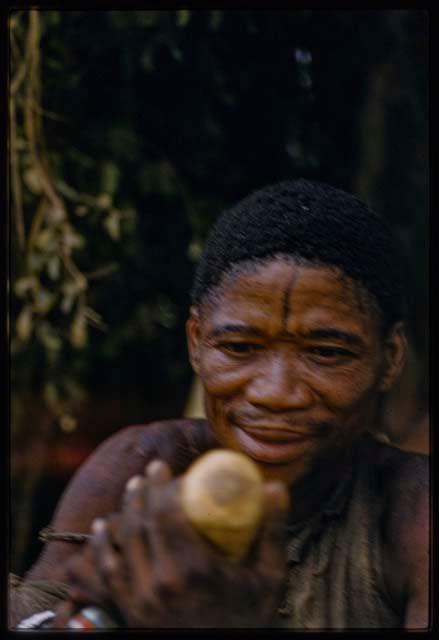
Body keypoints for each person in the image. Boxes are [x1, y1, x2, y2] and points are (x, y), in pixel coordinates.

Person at [9, 179, 429, 629]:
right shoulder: (143, 467)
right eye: (240, 347)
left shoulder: (412, 515)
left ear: (390, 359)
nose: (275, 392)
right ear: (195, 342)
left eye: (326, 353)